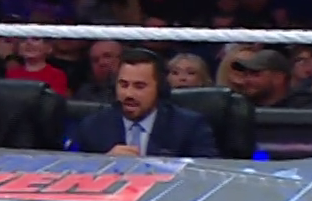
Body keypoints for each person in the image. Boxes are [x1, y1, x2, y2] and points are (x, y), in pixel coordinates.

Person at [70, 49, 218, 158]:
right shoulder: (92, 126)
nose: (129, 94)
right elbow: (73, 171)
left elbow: (207, 174)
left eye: (139, 86)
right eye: (123, 85)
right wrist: (104, 163)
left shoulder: (189, 126)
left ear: (159, 88)